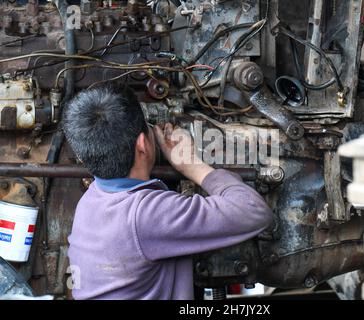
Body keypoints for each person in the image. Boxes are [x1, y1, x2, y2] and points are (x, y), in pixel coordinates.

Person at [62, 83, 273, 300]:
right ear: (143, 144)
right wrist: (193, 166)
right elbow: (253, 211)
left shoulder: (90, 201)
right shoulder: (145, 215)